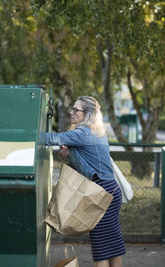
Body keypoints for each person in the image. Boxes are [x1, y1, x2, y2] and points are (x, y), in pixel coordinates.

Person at [46, 96, 125, 267]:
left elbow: (52, 138)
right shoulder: (96, 131)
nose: (71, 112)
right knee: (113, 249)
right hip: (110, 191)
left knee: (102, 251)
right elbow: (90, 159)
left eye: (76, 110)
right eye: (72, 109)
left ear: (87, 114)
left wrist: (25, 135)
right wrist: (72, 153)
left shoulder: (81, 133)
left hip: (101, 194)